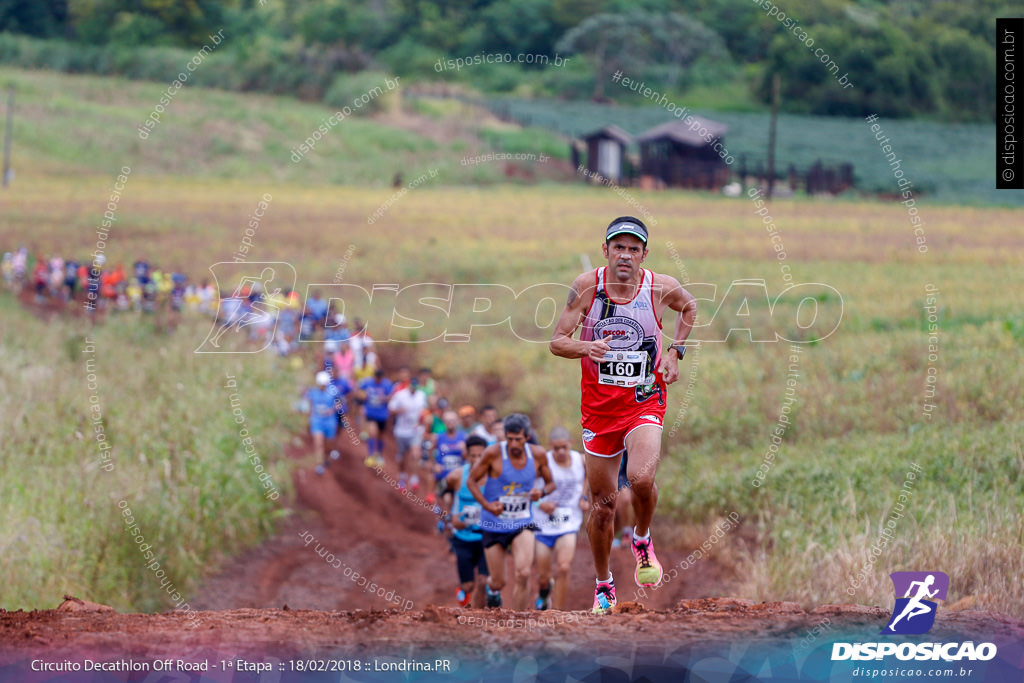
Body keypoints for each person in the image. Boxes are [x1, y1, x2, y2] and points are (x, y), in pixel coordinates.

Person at [549, 216, 697, 614]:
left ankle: (642, 539)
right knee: (602, 506)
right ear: (606, 251)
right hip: (598, 411)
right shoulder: (586, 287)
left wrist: (674, 351)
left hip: (644, 399)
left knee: (641, 478)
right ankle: (603, 584)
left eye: (634, 249)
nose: (626, 255)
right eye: (619, 247)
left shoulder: (659, 287)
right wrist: (587, 348)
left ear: (644, 255)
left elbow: (691, 307)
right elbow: (557, 342)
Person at [467, 414, 554, 610]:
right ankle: (493, 590)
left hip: (522, 522)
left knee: (523, 573)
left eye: (518, 439)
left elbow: (551, 484)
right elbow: (471, 481)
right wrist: (488, 505)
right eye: (510, 438)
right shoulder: (493, 453)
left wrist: (540, 492)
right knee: (499, 581)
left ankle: (518, 622)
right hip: (493, 523)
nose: (514, 443)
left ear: (527, 436)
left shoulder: (538, 455)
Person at [533, 426, 589, 611]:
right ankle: (543, 593)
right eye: (556, 448)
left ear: (570, 444)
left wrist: (584, 496)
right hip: (544, 524)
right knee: (543, 576)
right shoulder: (543, 462)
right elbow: (526, 488)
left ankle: (557, 612)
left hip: (569, 522)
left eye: (564, 447)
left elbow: (590, 476)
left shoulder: (580, 460)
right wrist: (540, 504)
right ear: (550, 447)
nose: (560, 452)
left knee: (564, 567)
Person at [447, 434, 490, 607]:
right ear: (467, 455)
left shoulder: (493, 477)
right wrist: (450, 517)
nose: (477, 460)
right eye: (473, 456)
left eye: (481, 456)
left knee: (483, 581)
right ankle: (463, 592)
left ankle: (478, 619)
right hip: (462, 537)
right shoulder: (457, 476)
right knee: (468, 585)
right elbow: (444, 493)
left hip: (485, 537)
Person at [388, 367, 428, 491]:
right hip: (401, 430)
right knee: (402, 456)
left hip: (415, 430)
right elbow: (391, 409)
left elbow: (424, 411)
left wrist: (422, 422)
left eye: (416, 387)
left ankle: (414, 479)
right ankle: (402, 477)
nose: (414, 389)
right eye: (412, 386)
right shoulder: (400, 395)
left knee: (416, 454)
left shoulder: (421, 395)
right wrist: (400, 410)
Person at [432, 409, 467, 529]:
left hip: (458, 477)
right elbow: (432, 453)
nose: (450, 423)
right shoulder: (439, 437)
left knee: (452, 500)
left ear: (457, 422)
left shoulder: (464, 437)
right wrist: (435, 465)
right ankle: (441, 521)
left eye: (452, 421)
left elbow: (469, 457)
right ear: (444, 422)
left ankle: (450, 523)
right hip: (442, 475)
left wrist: (464, 451)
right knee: (442, 499)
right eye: (448, 421)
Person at [357, 368, 393, 467]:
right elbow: (359, 391)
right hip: (371, 413)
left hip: (382, 414)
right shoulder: (368, 382)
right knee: (372, 433)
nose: (378, 379)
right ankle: (370, 455)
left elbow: (391, 396)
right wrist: (363, 398)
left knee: (381, 435)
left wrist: (384, 398)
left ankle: (380, 455)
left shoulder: (387, 384)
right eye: (377, 377)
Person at [306, 370, 338, 475]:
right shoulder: (313, 392)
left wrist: (332, 410)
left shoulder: (333, 392)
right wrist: (309, 415)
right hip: (317, 421)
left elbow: (339, 405)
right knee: (318, 443)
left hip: (329, 422)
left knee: (328, 446)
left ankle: (326, 457)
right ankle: (319, 465)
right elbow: (309, 403)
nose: (322, 386)